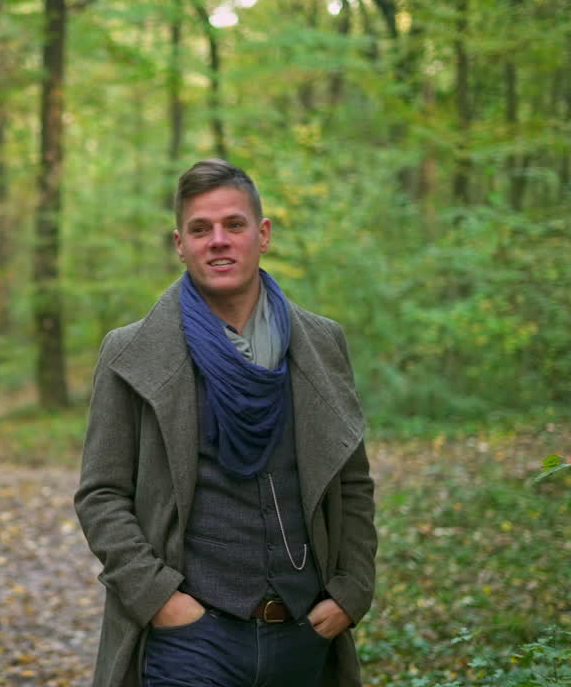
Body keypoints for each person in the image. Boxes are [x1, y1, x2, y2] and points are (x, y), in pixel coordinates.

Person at [75, 158, 377, 687]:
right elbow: (101, 494)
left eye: (234, 225)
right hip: (190, 642)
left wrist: (352, 590)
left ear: (263, 234)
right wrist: (158, 597)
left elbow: (352, 483)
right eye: (200, 229)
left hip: (304, 634)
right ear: (180, 244)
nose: (218, 240)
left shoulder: (322, 343)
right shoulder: (131, 352)